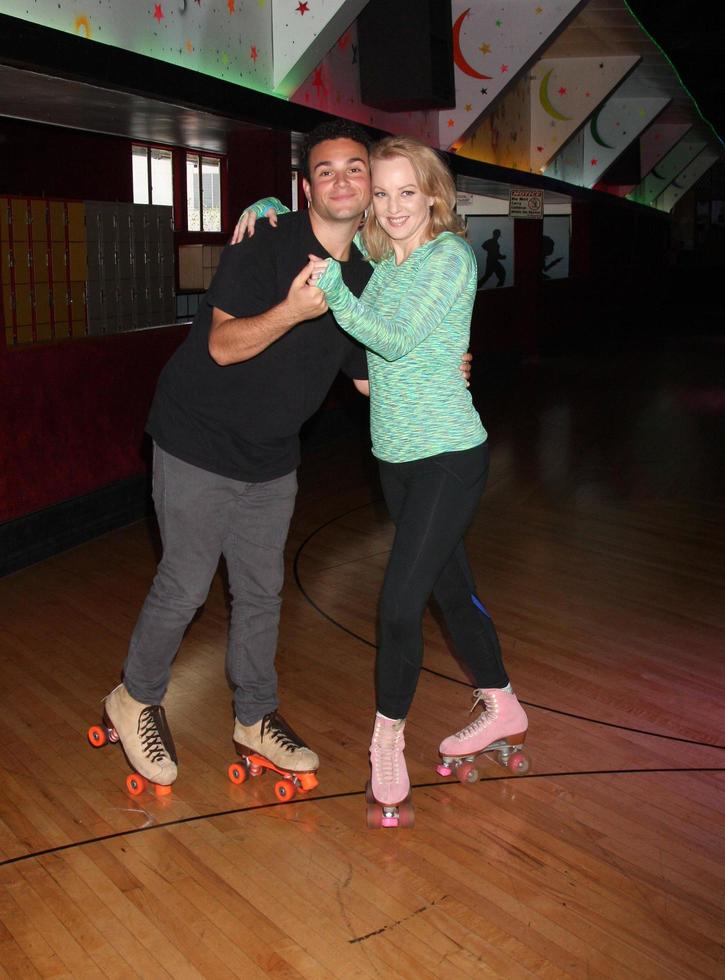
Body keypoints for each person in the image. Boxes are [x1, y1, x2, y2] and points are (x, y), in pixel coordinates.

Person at [241, 136, 527, 819]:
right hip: (394, 461)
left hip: (450, 456)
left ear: (433, 195)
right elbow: (337, 242)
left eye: (409, 192)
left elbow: (393, 339)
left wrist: (334, 289)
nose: (395, 207)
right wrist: (278, 208)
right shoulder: (382, 258)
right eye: (383, 193)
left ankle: (386, 740)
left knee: (400, 604)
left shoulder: (449, 258)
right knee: (453, 593)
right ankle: (504, 705)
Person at [100, 119, 378, 788]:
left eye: (354, 168)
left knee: (261, 591)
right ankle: (133, 698)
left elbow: (367, 376)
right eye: (326, 170)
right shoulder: (265, 244)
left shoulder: (365, 277)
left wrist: (435, 372)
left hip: (271, 454)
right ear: (306, 185)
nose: (341, 180)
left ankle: (255, 717)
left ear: (369, 183)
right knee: (187, 582)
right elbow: (223, 347)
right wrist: (292, 310)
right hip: (197, 437)